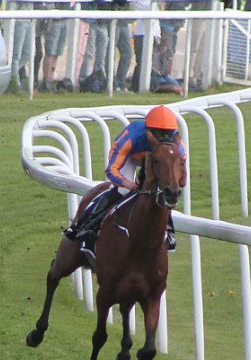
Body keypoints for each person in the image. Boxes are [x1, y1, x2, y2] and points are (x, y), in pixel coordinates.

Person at [64, 105, 186, 256]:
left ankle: (169, 230)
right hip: (130, 158)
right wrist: (128, 183)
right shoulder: (132, 135)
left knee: (163, 192)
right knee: (123, 190)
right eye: (158, 133)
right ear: (147, 130)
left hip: (158, 162)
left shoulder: (177, 146)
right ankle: (86, 224)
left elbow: (182, 175)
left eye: (167, 134)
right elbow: (111, 170)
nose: (163, 138)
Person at [42, 0, 85, 92]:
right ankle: (46, 80)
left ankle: (51, 79)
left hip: (65, 17)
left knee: (58, 51)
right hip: (54, 17)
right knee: (50, 50)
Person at [8, 0, 47, 87]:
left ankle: (9, 75)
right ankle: (14, 84)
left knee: (29, 52)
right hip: (17, 19)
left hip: (29, 18)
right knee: (16, 53)